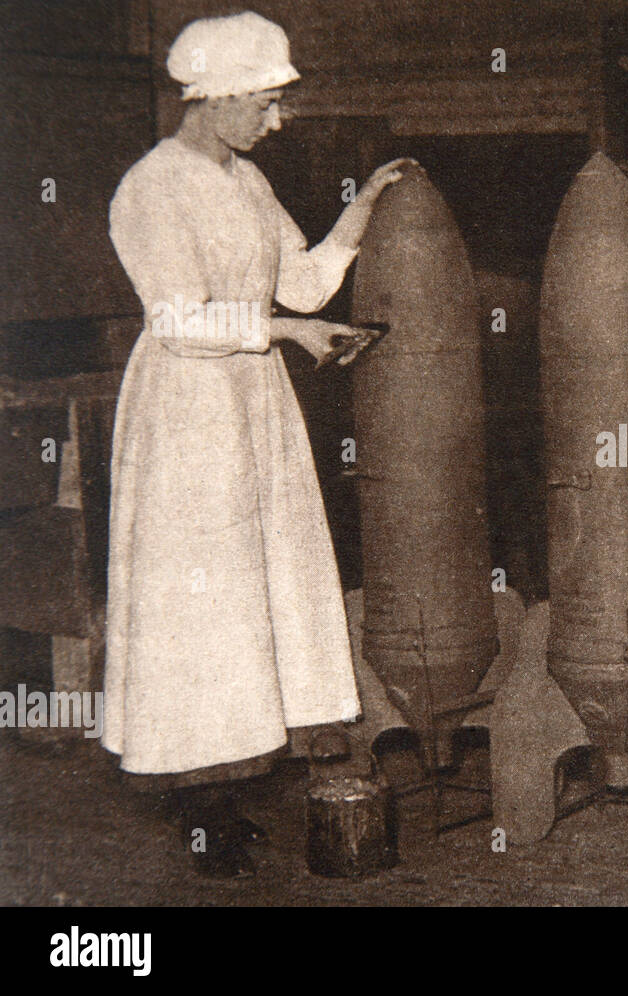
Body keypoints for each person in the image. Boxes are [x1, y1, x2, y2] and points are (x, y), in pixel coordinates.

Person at [105, 11, 411, 877]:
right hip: (186, 408)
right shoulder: (151, 187)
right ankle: (202, 813)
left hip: (251, 401)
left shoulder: (246, 180)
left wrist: (362, 208)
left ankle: (228, 794)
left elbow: (304, 284)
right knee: (200, 603)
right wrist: (284, 332)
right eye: (266, 103)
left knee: (252, 594)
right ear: (215, 96)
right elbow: (177, 320)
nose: (277, 121)